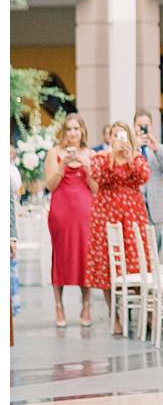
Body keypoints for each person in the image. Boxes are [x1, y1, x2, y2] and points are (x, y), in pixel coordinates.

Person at [83, 122, 151, 337]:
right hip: (106, 212)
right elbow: (99, 177)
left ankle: (146, 311)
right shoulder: (100, 157)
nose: (119, 139)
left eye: (123, 135)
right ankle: (115, 315)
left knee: (136, 260)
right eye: (115, 135)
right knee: (108, 262)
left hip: (132, 213)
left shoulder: (138, 158)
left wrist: (130, 158)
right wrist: (113, 158)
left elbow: (143, 177)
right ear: (110, 137)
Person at [41, 113, 92, 328]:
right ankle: (59, 307)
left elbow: (97, 189)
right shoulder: (55, 152)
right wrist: (63, 166)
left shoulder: (90, 154)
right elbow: (50, 185)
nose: (72, 133)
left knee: (85, 257)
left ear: (82, 132)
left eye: (76, 129)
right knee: (61, 256)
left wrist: (87, 168)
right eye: (69, 129)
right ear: (64, 132)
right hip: (61, 211)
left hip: (85, 211)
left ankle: (86, 306)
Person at [131, 111, 163, 243]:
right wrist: (135, 149)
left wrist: (156, 149)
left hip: (157, 212)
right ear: (134, 126)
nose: (143, 128)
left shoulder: (162, 149)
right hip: (135, 209)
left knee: (157, 255)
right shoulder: (129, 151)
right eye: (140, 125)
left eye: (146, 125)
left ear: (151, 126)